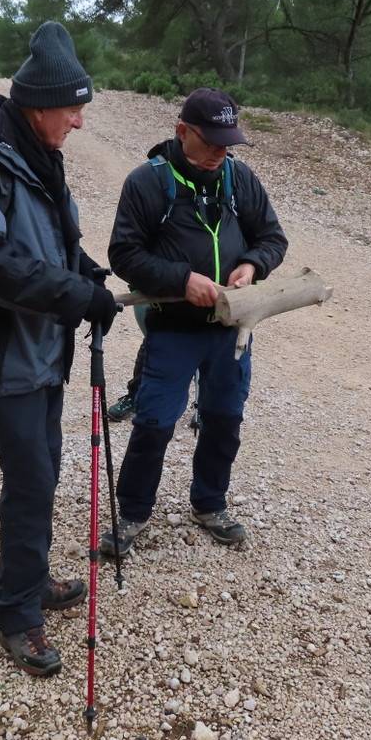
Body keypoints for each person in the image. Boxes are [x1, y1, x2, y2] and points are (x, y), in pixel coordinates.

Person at [0, 21, 119, 676]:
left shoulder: (39, 161)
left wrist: (88, 275)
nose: (79, 122)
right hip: (3, 355)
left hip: (42, 352)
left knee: (39, 474)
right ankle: (17, 612)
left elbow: (56, 246)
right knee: (34, 478)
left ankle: (30, 577)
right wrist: (73, 297)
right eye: (73, 108)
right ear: (39, 104)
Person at [101, 87, 288, 556]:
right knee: (155, 423)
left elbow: (272, 237)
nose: (220, 154)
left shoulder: (239, 179)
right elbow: (124, 253)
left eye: (228, 144)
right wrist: (183, 280)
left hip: (231, 328)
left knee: (224, 419)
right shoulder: (147, 182)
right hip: (174, 327)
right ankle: (133, 513)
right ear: (182, 131)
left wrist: (253, 265)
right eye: (210, 143)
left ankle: (209, 504)